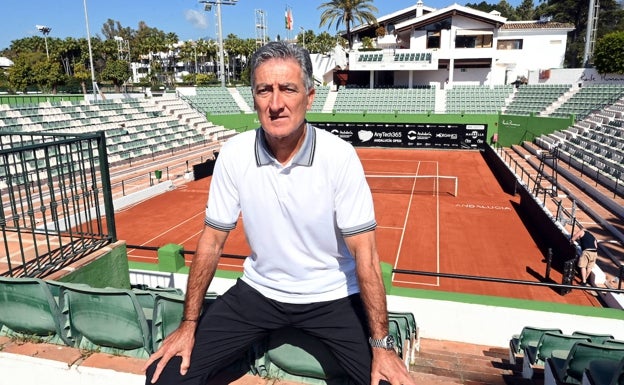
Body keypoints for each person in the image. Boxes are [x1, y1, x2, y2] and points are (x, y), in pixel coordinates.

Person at [144, 41, 415, 385]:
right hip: (258, 293)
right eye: (264, 91)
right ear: (253, 97)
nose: (276, 104)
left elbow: (366, 252)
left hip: (333, 297)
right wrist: (188, 325)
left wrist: (381, 345)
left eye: (288, 89)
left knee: (388, 382)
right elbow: (211, 242)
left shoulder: (340, 156)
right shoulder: (234, 153)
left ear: (309, 96)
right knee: (163, 376)